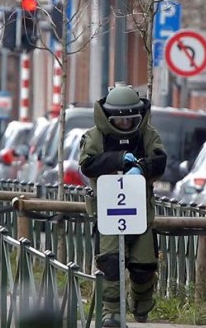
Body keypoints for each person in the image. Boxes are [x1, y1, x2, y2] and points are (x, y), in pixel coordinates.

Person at [79, 82, 167, 327]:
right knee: (110, 263)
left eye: (131, 119)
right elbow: (88, 164)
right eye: (121, 120)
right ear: (109, 117)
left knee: (144, 264)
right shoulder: (95, 136)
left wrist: (141, 167)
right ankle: (111, 313)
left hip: (140, 212)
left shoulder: (148, 135)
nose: (126, 124)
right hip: (107, 211)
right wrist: (118, 159)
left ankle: (141, 303)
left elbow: (159, 161)